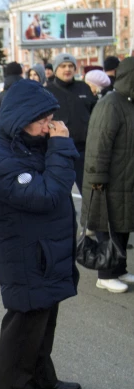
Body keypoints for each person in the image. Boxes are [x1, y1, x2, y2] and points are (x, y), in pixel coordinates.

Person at [0, 79, 82, 389]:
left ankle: (40, 377)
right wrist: (61, 146)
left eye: (51, 117)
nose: (49, 125)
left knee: (44, 316)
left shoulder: (29, 142)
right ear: (20, 118)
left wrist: (54, 145)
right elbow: (48, 195)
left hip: (43, 249)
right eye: (42, 119)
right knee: (25, 321)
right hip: (24, 253)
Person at [82, 57, 134, 294]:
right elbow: (98, 145)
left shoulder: (127, 103)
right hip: (109, 181)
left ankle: (119, 268)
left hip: (126, 179)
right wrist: (97, 178)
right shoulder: (111, 104)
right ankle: (105, 274)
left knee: (122, 226)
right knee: (108, 226)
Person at [46, 53, 96, 194]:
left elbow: (96, 114)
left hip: (84, 151)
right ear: (56, 69)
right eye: (63, 66)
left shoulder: (84, 88)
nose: (67, 69)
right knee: (60, 195)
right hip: (59, 151)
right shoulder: (47, 91)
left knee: (89, 193)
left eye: (70, 66)